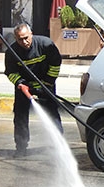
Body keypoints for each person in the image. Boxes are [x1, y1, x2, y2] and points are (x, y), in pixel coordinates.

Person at [4, 23, 63, 158]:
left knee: (52, 114)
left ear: (31, 34)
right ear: (15, 38)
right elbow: (10, 72)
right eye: (20, 39)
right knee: (20, 117)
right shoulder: (11, 52)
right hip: (24, 87)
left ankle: (58, 145)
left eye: (26, 38)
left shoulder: (45, 44)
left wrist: (47, 83)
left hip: (45, 85)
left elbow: (55, 64)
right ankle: (21, 148)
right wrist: (20, 84)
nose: (24, 42)